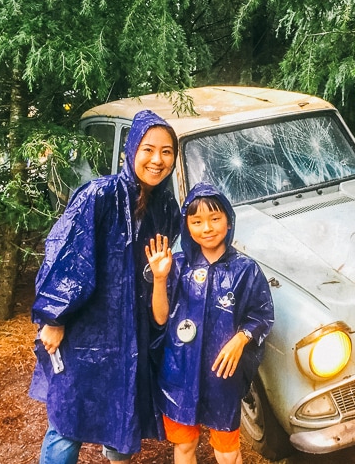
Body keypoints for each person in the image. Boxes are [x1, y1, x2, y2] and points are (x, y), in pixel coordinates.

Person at [29, 110, 181, 464]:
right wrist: (54, 318)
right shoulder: (100, 195)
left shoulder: (165, 206)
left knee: (122, 413)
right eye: (148, 149)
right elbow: (67, 256)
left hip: (132, 334)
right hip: (86, 331)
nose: (157, 160)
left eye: (166, 151)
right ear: (131, 150)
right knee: (68, 421)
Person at [145, 182, 274, 464]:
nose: (207, 227)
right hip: (179, 372)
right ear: (187, 226)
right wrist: (159, 278)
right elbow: (160, 318)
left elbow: (261, 315)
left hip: (222, 376)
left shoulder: (245, 270)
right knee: (184, 447)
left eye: (215, 218)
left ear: (228, 221)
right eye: (197, 221)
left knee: (228, 452)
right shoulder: (176, 265)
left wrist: (241, 339)